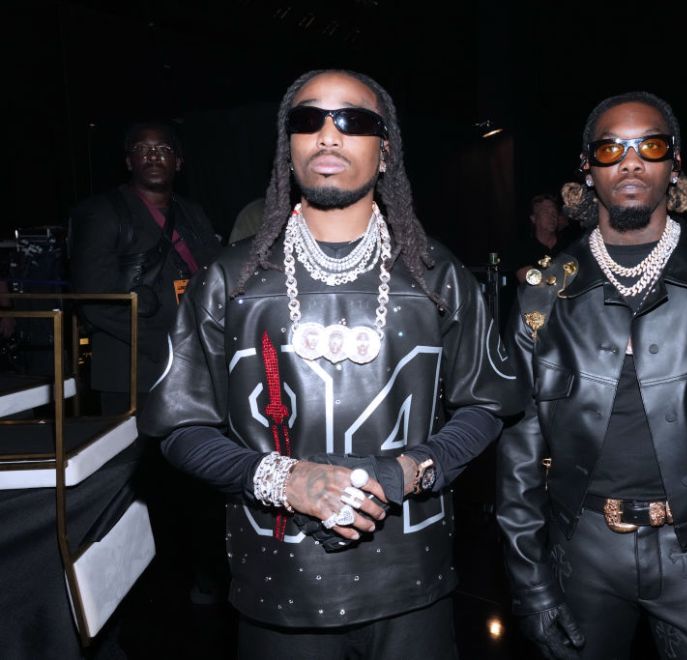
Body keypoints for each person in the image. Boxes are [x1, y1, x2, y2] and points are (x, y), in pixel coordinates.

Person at [139, 69, 521, 659]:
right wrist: (284, 480)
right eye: (307, 119)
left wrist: (410, 470)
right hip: (277, 587)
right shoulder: (228, 280)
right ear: (287, 146)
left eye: (353, 121)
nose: (328, 134)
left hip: (413, 583)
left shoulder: (437, 275)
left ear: (386, 151)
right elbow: (179, 427)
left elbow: (487, 404)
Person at [497, 90, 687, 659]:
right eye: (610, 149)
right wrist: (530, 584)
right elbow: (518, 456)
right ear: (586, 169)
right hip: (579, 551)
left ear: (674, 163)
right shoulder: (545, 294)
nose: (630, 162)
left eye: (650, 146)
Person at [68, 120, 221, 414]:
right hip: (133, 371)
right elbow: (94, 301)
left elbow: (215, 275)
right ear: (129, 161)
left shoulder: (192, 212)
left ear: (178, 162)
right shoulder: (102, 212)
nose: (153, 156)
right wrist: (168, 346)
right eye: (142, 148)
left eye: (163, 148)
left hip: (197, 364)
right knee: (136, 445)